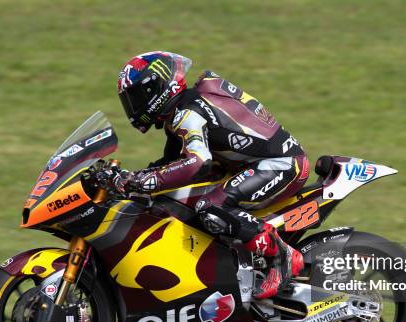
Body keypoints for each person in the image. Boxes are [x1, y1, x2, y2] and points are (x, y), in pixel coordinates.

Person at [108, 51, 309, 299]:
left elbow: (196, 164)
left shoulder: (188, 113)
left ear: (157, 90)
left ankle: (282, 256)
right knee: (179, 199)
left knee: (210, 206)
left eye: (136, 97)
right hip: (249, 165)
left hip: (281, 165)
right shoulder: (179, 112)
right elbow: (170, 165)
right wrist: (130, 179)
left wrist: (142, 181)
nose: (133, 106)